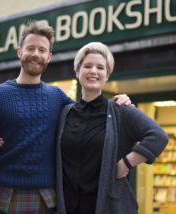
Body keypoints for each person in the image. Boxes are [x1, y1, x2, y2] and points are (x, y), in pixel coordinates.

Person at [0, 21, 132, 214]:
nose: (36, 54)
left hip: (48, 198)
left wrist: (116, 104)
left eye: (42, 50)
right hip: (4, 197)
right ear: (19, 52)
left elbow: (90, 117)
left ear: (48, 57)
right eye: (30, 48)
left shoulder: (57, 97)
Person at [54, 42, 169, 214]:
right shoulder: (65, 113)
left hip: (108, 207)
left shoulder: (120, 109)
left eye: (100, 67)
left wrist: (126, 163)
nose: (93, 71)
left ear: (107, 75)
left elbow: (158, 136)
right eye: (87, 66)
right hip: (68, 207)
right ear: (77, 72)